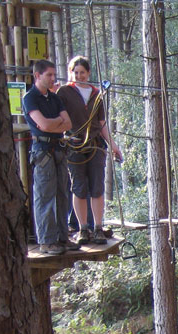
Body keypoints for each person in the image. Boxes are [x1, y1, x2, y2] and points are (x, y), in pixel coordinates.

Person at [57, 56, 122, 245]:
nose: (79, 76)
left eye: (82, 73)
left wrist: (113, 145)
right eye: (75, 73)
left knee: (97, 187)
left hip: (95, 145)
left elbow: (102, 124)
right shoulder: (64, 92)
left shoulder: (97, 94)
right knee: (79, 187)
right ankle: (83, 228)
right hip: (74, 144)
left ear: (88, 74)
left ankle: (98, 228)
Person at [24, 60, 78, 255]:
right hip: (43, 151)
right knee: (45, 196)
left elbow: (68, 123)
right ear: (37, 76)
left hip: (58, 149)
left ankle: (63, 237)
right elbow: (44, 126)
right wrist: (57, 122)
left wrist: (53, 123)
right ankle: (46, 241)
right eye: (49, 75)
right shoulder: (30, 98)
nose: (53, 79)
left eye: (54, 75)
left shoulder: (55, 99)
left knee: (63, 193)